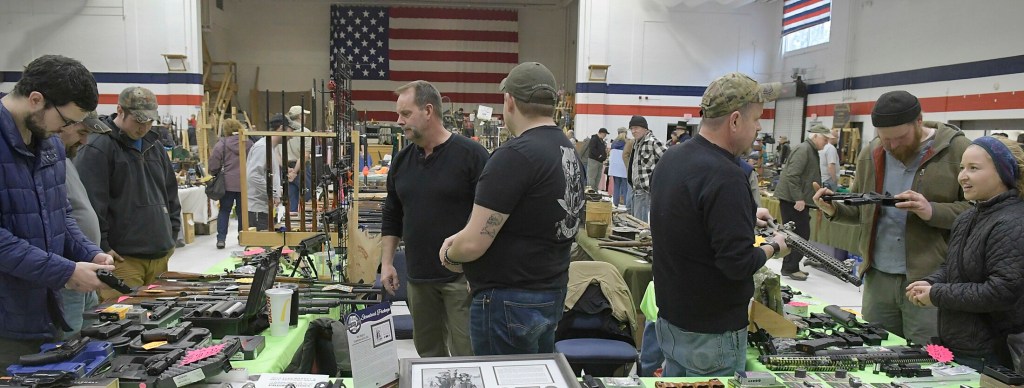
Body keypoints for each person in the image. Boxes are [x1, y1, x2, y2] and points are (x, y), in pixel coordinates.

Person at [439, 62, 584, 355]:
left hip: (509, 303)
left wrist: (449, 254)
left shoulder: (515, 155)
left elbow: (473, 243)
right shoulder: (569, 152)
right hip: (550, 292)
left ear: (509, 101)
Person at [650, 72, 788, 377]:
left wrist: (743, 218)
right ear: (735, 121)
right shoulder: (726, 176)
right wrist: (773, 247)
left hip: (673, 321)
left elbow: (688, 219)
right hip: (711, 334)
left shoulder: (672, 159)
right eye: (756, 119)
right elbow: (737, 264)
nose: (759, 128)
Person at [813, 90, 971, 345]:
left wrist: (930, 210)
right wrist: (834, 209)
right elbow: (862, 209)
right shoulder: (872, 153)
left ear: (919, 121)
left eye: (900, 138)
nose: (892, 146)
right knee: (873, 350)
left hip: (930, 279)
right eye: (885, 139)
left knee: (927, 358)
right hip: (878, 278)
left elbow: (977, 213)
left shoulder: (957, 151)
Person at [0, 54, 116, 373]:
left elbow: (60, 216)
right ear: (36, 100)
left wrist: (90, 253)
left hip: (48, 312)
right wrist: (64, 272)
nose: (66, 129)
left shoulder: (48, 144)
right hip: (6, 324)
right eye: (66, 121)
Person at [380, 81, 488, 358]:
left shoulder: (472, 155)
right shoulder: (402, 161)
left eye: (405, 114)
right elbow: (392, 214)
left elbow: (490, 219)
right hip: (418, 279)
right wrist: (387, 263)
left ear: (428, 111)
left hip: (461, 278)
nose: (399, 121)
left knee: (467, 354)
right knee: (428, 354)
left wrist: (481, 271)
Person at [905, 136, 1024, 371]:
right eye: (961, 168)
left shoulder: (1012, 222)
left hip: (989, 354)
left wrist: (937, 294)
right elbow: (954, 266)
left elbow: (1001, 291)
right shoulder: (968, 217)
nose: (962, 176)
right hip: (958, 345)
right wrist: (930, 282)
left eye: (974, 168)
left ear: (1004, 172)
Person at [76, 86, 181, 301]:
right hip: (123, 260)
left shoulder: (155, 145)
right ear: (120, 111)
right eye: (138, 121)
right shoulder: (99, 147)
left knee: (161, 322)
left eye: (149, 122)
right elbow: (92, 203)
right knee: (125, 323)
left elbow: (170, 193)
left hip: (159, 255)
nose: (143, 128)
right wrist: (103, 246)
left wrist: (171, 233)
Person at [59, 111, 113, 337]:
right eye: (81, 132)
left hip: (85, 266)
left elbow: (67, 216)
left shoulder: (63, 158)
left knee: (91, 339)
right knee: (68, 344)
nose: (84, 141)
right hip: (67, 275)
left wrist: (91, 251)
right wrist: (66, 269)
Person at [774, 124, 834, 281]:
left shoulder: (809, 150)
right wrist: (798, 198)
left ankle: (791, 266)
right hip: (792, 200)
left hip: (795, 199)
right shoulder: (804, 150)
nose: (826, 142)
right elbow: (793, 175)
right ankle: (790, 267)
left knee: (799, 234)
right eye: (824, 139)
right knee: (799, 235)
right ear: (815, 136)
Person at [208, 118, 253, 249]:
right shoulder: (248, 144)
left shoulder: (221, 144)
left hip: (226, 183)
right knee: (242, 212)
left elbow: (214, 162)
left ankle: (221, 239)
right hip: (244, 183)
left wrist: (214, 172)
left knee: (224, 210)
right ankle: (242, 237)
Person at [246, 114, 290, 231]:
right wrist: (273, 192)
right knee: (259, 247)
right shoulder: (262, 148)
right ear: (281, 128)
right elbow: (253, 176)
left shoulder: (269, 147)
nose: (291, 135)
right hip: (258, 210)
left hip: (263, 208)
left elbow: (265, 175)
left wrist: (276, 188)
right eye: (290, 130)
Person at [626, 115, 666, 222]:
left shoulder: (653, 142)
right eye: (631, 129)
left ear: (645, 128)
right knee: (635, 223)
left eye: (636, 128)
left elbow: (669, 159)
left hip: (645, 191)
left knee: (640, 226)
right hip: (636, 191)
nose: (633, 131)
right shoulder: (636, 143)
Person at [285, 106, 312, 212]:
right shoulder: (305, 132)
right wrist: (295, 172)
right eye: (304, 115)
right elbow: (304, 155)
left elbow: (277, 153)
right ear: (300, 116)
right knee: (308, 201)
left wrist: (288, 170)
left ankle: (291, 226)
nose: (306, 117)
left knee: (291, 203)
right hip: (302, 168)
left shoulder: (283, 131)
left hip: (287, 168)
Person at [608, 128, 630, 209]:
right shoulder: (628, 143)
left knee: (616, 185)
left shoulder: (614, 143)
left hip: (615, 167)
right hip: (624, 167)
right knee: (625, 185)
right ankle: (625, 203)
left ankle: (615, 202)